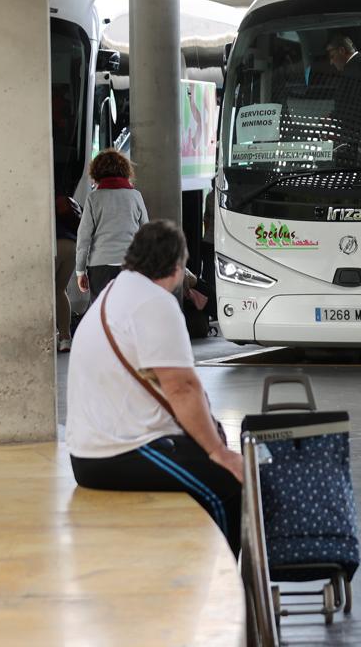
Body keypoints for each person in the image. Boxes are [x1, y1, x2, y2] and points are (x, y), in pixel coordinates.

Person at [66, 220, 243, 554]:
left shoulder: (115, 294)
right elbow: (182, 388)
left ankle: (195, 571)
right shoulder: (154, 303)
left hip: (92, 452)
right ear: (178, 267)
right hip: (117, 454)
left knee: (209, 463)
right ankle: (229, 592)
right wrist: (219, 453)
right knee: (229, 482)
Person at [75, 149, 149, 302]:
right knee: (130, 310)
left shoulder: (94, 198)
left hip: (100, 267)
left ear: (97, 172)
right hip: (132, 264)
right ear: (125, 170)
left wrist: (80, 271)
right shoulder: (135, 196)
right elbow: (147, 234)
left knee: (103, 313)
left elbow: (84, 238)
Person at [55, 194, 80, 352]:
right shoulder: (64, 199)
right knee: (59, 290)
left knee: (46, 291)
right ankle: (65, 338)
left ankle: (49, 335)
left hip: (54, 244)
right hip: (71, 245)